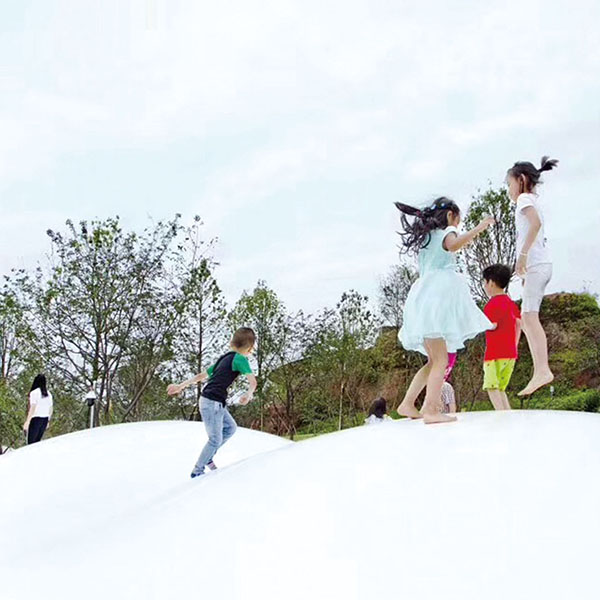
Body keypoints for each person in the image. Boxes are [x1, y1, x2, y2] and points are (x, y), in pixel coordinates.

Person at [395, 197, 494, 424]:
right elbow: (454, 245)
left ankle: (407, 403)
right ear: (450, 215)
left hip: (422, 302)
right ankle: (431, 409)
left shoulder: (427, 239)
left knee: (433, 361)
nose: (458, 225)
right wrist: (479, 227)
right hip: (436, 301)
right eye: (458, 220)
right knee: (441, 360)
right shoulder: (445, 233)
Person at [167, 327, 257, 479]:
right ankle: (197, 471)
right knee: (215, 439)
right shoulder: (240, 359)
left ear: (232, 342)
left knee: (230, 428)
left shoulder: (224, 358)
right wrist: (248, 394)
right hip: (212, 402)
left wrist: (180, 386)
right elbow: (253, 382)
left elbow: (201, 376)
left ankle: (208, 456)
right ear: (250, 348)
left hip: (213, 401)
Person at [506, 156, 558, 396]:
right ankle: (540, 369)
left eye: (509, 184)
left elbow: (534, 224)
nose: (509, 189)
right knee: (527, 319)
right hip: (539, 267)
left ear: (521, 180)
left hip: (537, 264)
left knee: (529, 317)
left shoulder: (524, 199)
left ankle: (542, 370)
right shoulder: (531, 199)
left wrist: (524, 256)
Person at [482, 264, 522, 410]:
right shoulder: (511, 303)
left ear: (491, 283)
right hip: (510, 353)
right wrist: (514, 344)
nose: (485, 286)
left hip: (494, 353)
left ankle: (501, 415)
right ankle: (507, 414)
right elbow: (519, 324)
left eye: (485, 282)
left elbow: (492, 325)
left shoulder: (491, 305)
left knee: (491, 385)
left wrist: (479, 324)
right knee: (500, 387)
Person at [23, 374, 53, 444]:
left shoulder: (34, 393)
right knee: (37, 442)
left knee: (31, 443)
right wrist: (48, 421)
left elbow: (33, 408)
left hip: (35, 419)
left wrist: (27, 421)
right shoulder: (49, 393)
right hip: (45, 419)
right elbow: (51, 408)